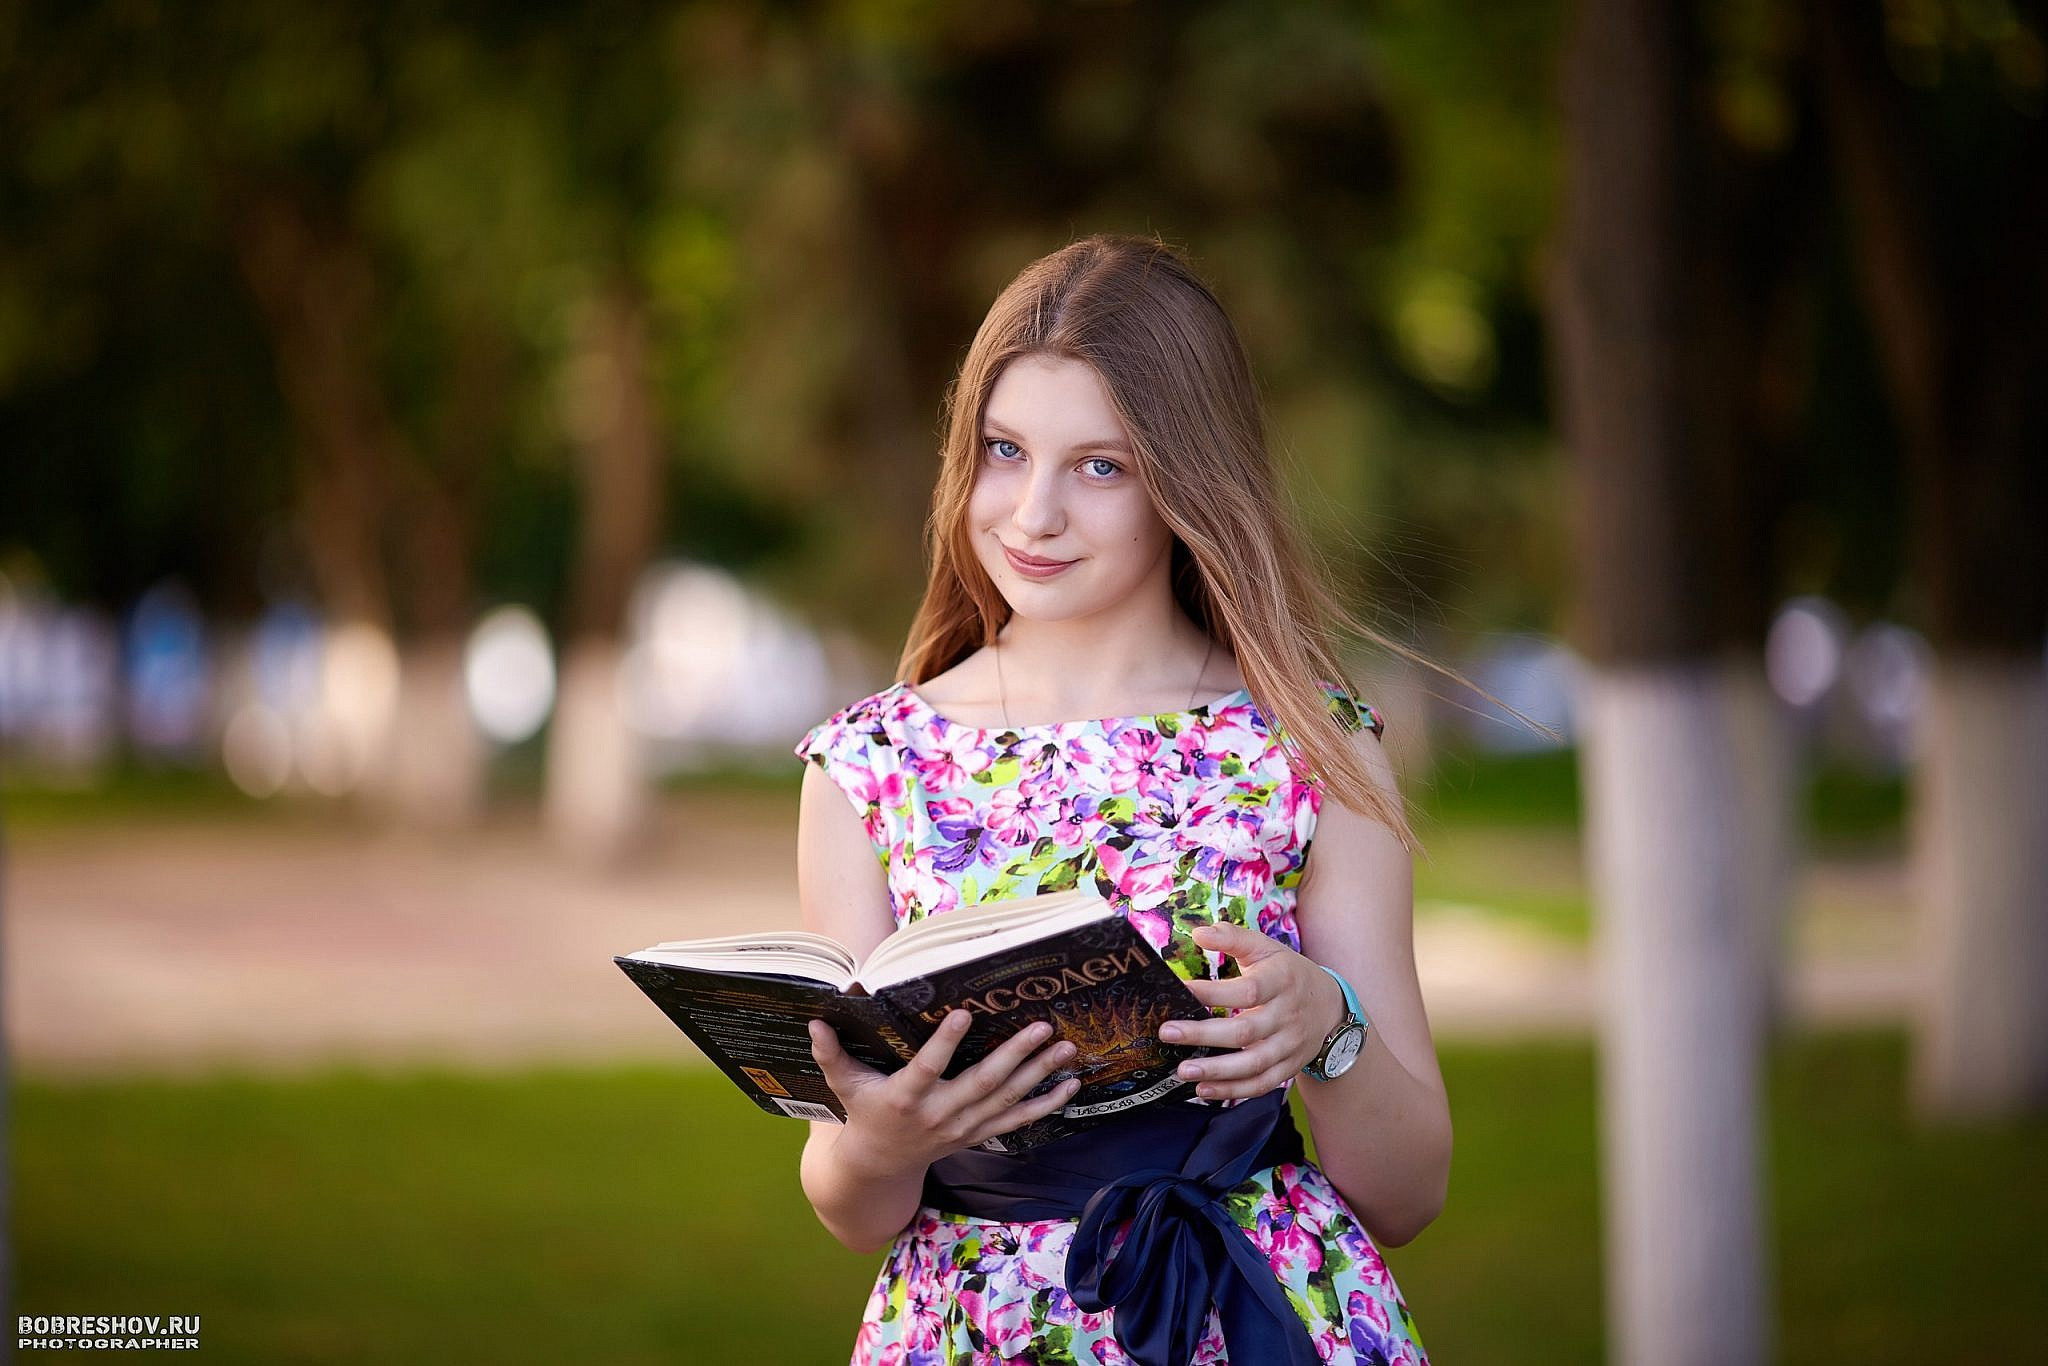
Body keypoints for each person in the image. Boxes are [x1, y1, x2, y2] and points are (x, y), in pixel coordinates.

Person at [792, 233, 1449, 1366]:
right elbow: (853, 1211)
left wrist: (1328, 1026)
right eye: (1005, 451)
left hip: (1255, 1306)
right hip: (975, 1327)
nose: (1031, 514)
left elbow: (1407, 1192)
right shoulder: (871, 762)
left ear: (1188, 480)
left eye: (1100, 467)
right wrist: (878, 1143)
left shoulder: (1311, 746)